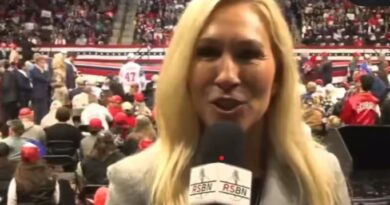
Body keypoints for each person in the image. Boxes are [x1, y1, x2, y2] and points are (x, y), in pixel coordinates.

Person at [107, 0, 350, 205]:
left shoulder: (322, 176)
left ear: (279, 75)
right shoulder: (134, 183)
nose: (227, 76)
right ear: (184, 71)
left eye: (248, 54)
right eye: (208, 52)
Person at [30, 54, 51, 124]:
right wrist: (45, 70)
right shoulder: (34, 70)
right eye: (43, 62)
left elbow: (48, 78)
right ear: (38, 62)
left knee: (44, 110)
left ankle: (44, 122)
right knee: (38, 111)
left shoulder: (42, 70)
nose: (44, 64)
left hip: (44, 93)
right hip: (38, 93)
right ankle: (38, 123)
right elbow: (44, 78)